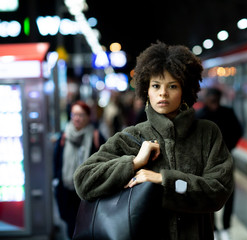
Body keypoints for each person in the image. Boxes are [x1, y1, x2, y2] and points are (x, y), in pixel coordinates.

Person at [73, 42, 234, 240]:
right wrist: (133, 163)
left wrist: (163, 180)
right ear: (146, 90)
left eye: (172, 86)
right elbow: (84, 180)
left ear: (185, 90)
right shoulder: (132, 137)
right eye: (156, 86)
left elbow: (217, 191)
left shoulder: (206, 134)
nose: (163, 93)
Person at [196, 88, 244, 240]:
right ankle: (214, 228)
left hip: (226, 159)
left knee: (229, 193)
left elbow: (239, 131)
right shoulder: (199, 116)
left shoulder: (228, 113)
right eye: (211, 98)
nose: (214, 101)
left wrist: (228, 147)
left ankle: (226, 226)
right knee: (209, 195)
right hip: (206, 162)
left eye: (216, 98)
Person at [53, 100, 105, 238]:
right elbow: (57, 162)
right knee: (71, 226)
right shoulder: (64, 136)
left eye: (81, 115)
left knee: (87, 227)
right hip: (67, 190)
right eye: (74, 114)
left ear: (88, 117)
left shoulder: (96, 137)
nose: (77, 118)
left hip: (88, 191)